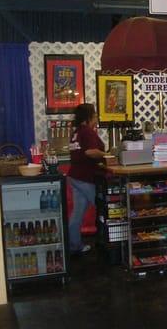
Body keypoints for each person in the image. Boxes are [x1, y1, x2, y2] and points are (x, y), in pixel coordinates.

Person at [68, 103, 108, 254]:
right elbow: (90, 152)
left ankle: (74, 245)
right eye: (95, 115)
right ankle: (108, 242)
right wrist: (107, 155)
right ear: (89, 117)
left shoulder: (76, 132)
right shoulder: (88, 132)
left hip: (75, 176)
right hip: (85, 177)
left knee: (77, 213)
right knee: (104, 208)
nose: (96, 118)